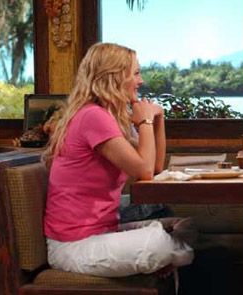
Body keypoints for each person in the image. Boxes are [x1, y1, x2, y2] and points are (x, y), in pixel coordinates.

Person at [43, 43, 194, 283]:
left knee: (186, 227)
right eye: (135, 73)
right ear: (114, 77)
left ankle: (164, 257)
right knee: (160, 243)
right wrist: (144, 121)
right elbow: (145, 171)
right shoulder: (93, 116)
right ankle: (164, 257)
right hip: (74, 246)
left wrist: (158, 118)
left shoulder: (108, 117)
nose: (140, 80)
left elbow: (154, 168)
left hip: (103, 232)